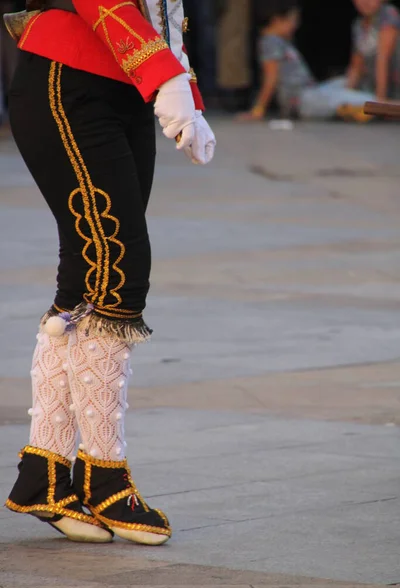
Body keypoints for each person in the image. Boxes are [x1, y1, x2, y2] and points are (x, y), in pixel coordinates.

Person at [4, 0, 215, 545]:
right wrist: (165, 76)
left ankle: (44, 473)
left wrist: (181, 88)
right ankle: (104, 476)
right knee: (118, 268)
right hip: (69, 74)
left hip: (124, 85)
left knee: (90, 275)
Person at [237, 0, 377, 122]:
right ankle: (375, 106)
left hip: (311, 91)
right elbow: (271, 78)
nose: (295, 25)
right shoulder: (270, 43)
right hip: (302, 99)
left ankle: (357, 104)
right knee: (362, 99)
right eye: (292, 20)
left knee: (345, 82)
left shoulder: (280, 41)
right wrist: (258, 110)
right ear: (277, 20)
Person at [348, 0, 400, 101]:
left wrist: (380, 102)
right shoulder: (358, 24)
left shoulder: (388, 15)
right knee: (332, 89)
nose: (365, 2)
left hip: (392, 92)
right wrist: (346, 93)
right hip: (368, 88)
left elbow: (383, 60)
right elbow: (356, 67)